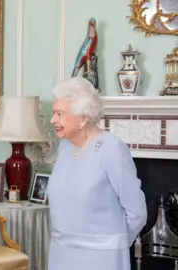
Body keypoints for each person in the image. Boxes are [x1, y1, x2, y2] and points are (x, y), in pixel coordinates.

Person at [47, 77, 147, 270]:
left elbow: (137, 211)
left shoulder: (112, 149)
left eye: (59, 114)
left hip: (102, 258)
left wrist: (112, 245)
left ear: (83, 117)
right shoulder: (65, 147)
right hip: (62, 252)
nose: (53, 120)